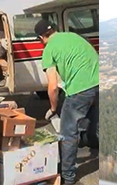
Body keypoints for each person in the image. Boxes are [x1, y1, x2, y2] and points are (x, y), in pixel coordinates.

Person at [34, 19, 99, 185]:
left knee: (68, 133)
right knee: (94, 120)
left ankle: (68, 177)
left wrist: (54, 108)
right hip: (99, 83)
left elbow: (53, 87)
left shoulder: (49, 49)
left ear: (41, 37)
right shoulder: (73, 36)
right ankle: (93, 142)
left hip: (80, 90)